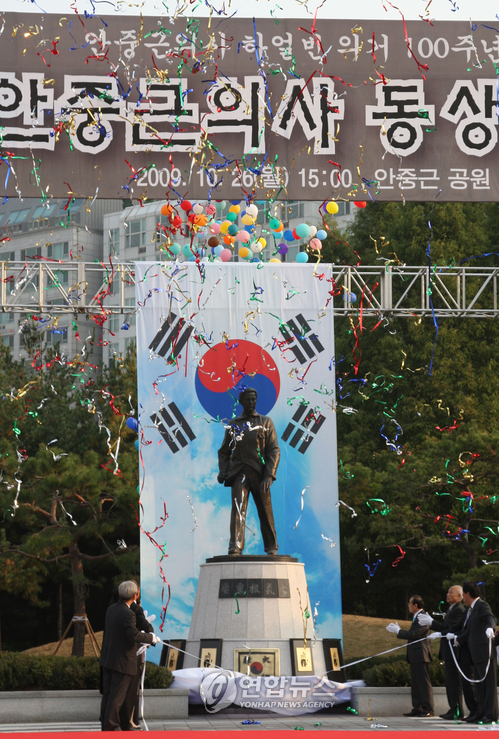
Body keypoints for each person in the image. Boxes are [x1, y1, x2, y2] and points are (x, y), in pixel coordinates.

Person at [217, 387, 280, 555]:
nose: (251, 402)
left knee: (265, 511)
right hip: (240, 474)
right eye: (248, 399)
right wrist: (223, 471)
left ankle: (271, 546)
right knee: (238, 511)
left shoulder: (266, 422)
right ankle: (235, 546)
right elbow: (224, 452)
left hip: (260, 475)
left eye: (254, 399)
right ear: (241, 401)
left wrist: (269, 475)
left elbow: (274, 451)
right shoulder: (233, 424)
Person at [100, 580, 161, 731]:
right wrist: (151, 638)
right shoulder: (128, 613)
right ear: (135, 595)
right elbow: (132, 635)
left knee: (109, 695)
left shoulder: (111, 609)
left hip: (109, 658)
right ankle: (112, 726)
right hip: (122, 661)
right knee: (117, 696)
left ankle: (106, 726)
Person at [418, 585, 477, 720]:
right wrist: (435, 626)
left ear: (459, 596)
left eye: (451, 593)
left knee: (454, 682)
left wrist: (432, 623)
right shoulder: (452, 609)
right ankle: (453, 709)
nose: (447, 594)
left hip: (454, 651)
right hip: (449, 650)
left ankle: (457, 711)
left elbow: (450, 627)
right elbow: (447, 627)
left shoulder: (459, 610)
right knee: (450, 682)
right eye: (448, 592)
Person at [446, 582, 498, 724]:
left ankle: (491, 715)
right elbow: (469, 631)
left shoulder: (481, 605)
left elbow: (490, 618)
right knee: (479, 686)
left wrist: (490, 628)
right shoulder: (472, 609)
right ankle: (480, 713)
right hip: (477, 654)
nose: (463, 598)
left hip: (485, 652)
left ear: (468, 594)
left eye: (463, 595)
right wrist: (457, 638)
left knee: (489, 685)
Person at [386, 595, 434, 717]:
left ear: (415, 605)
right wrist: (399, 631)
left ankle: (428, 709)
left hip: (421, 654)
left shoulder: (423, 617)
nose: (408, 605)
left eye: (409, 603)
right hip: (415, 655)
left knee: (423, 683)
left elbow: (415, 634)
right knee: (416, 683)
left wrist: (399, 631)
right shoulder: (416, 617)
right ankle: (418, 707)